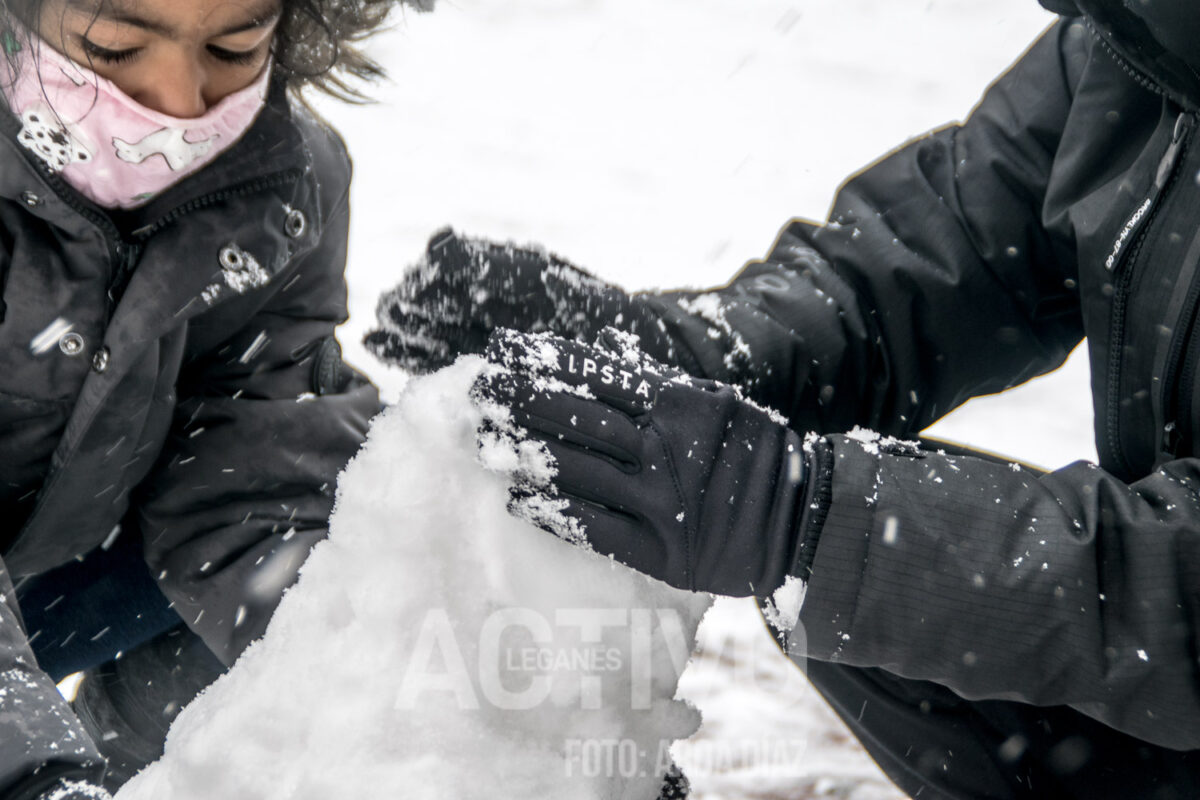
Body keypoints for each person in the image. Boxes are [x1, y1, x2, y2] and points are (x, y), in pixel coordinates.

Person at [371, 1, 1200, 797]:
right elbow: (935, 256)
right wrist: (689, 353)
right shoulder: (1134, 46)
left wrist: (796, 512)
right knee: (855, 550)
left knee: (856, 544)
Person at [0, 0, 443, 795]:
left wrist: (417, 712)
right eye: (115, 44)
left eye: (234, 46)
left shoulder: (281, 188)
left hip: (52, 587)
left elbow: (259, 473)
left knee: (333, 562)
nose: (178, 100)